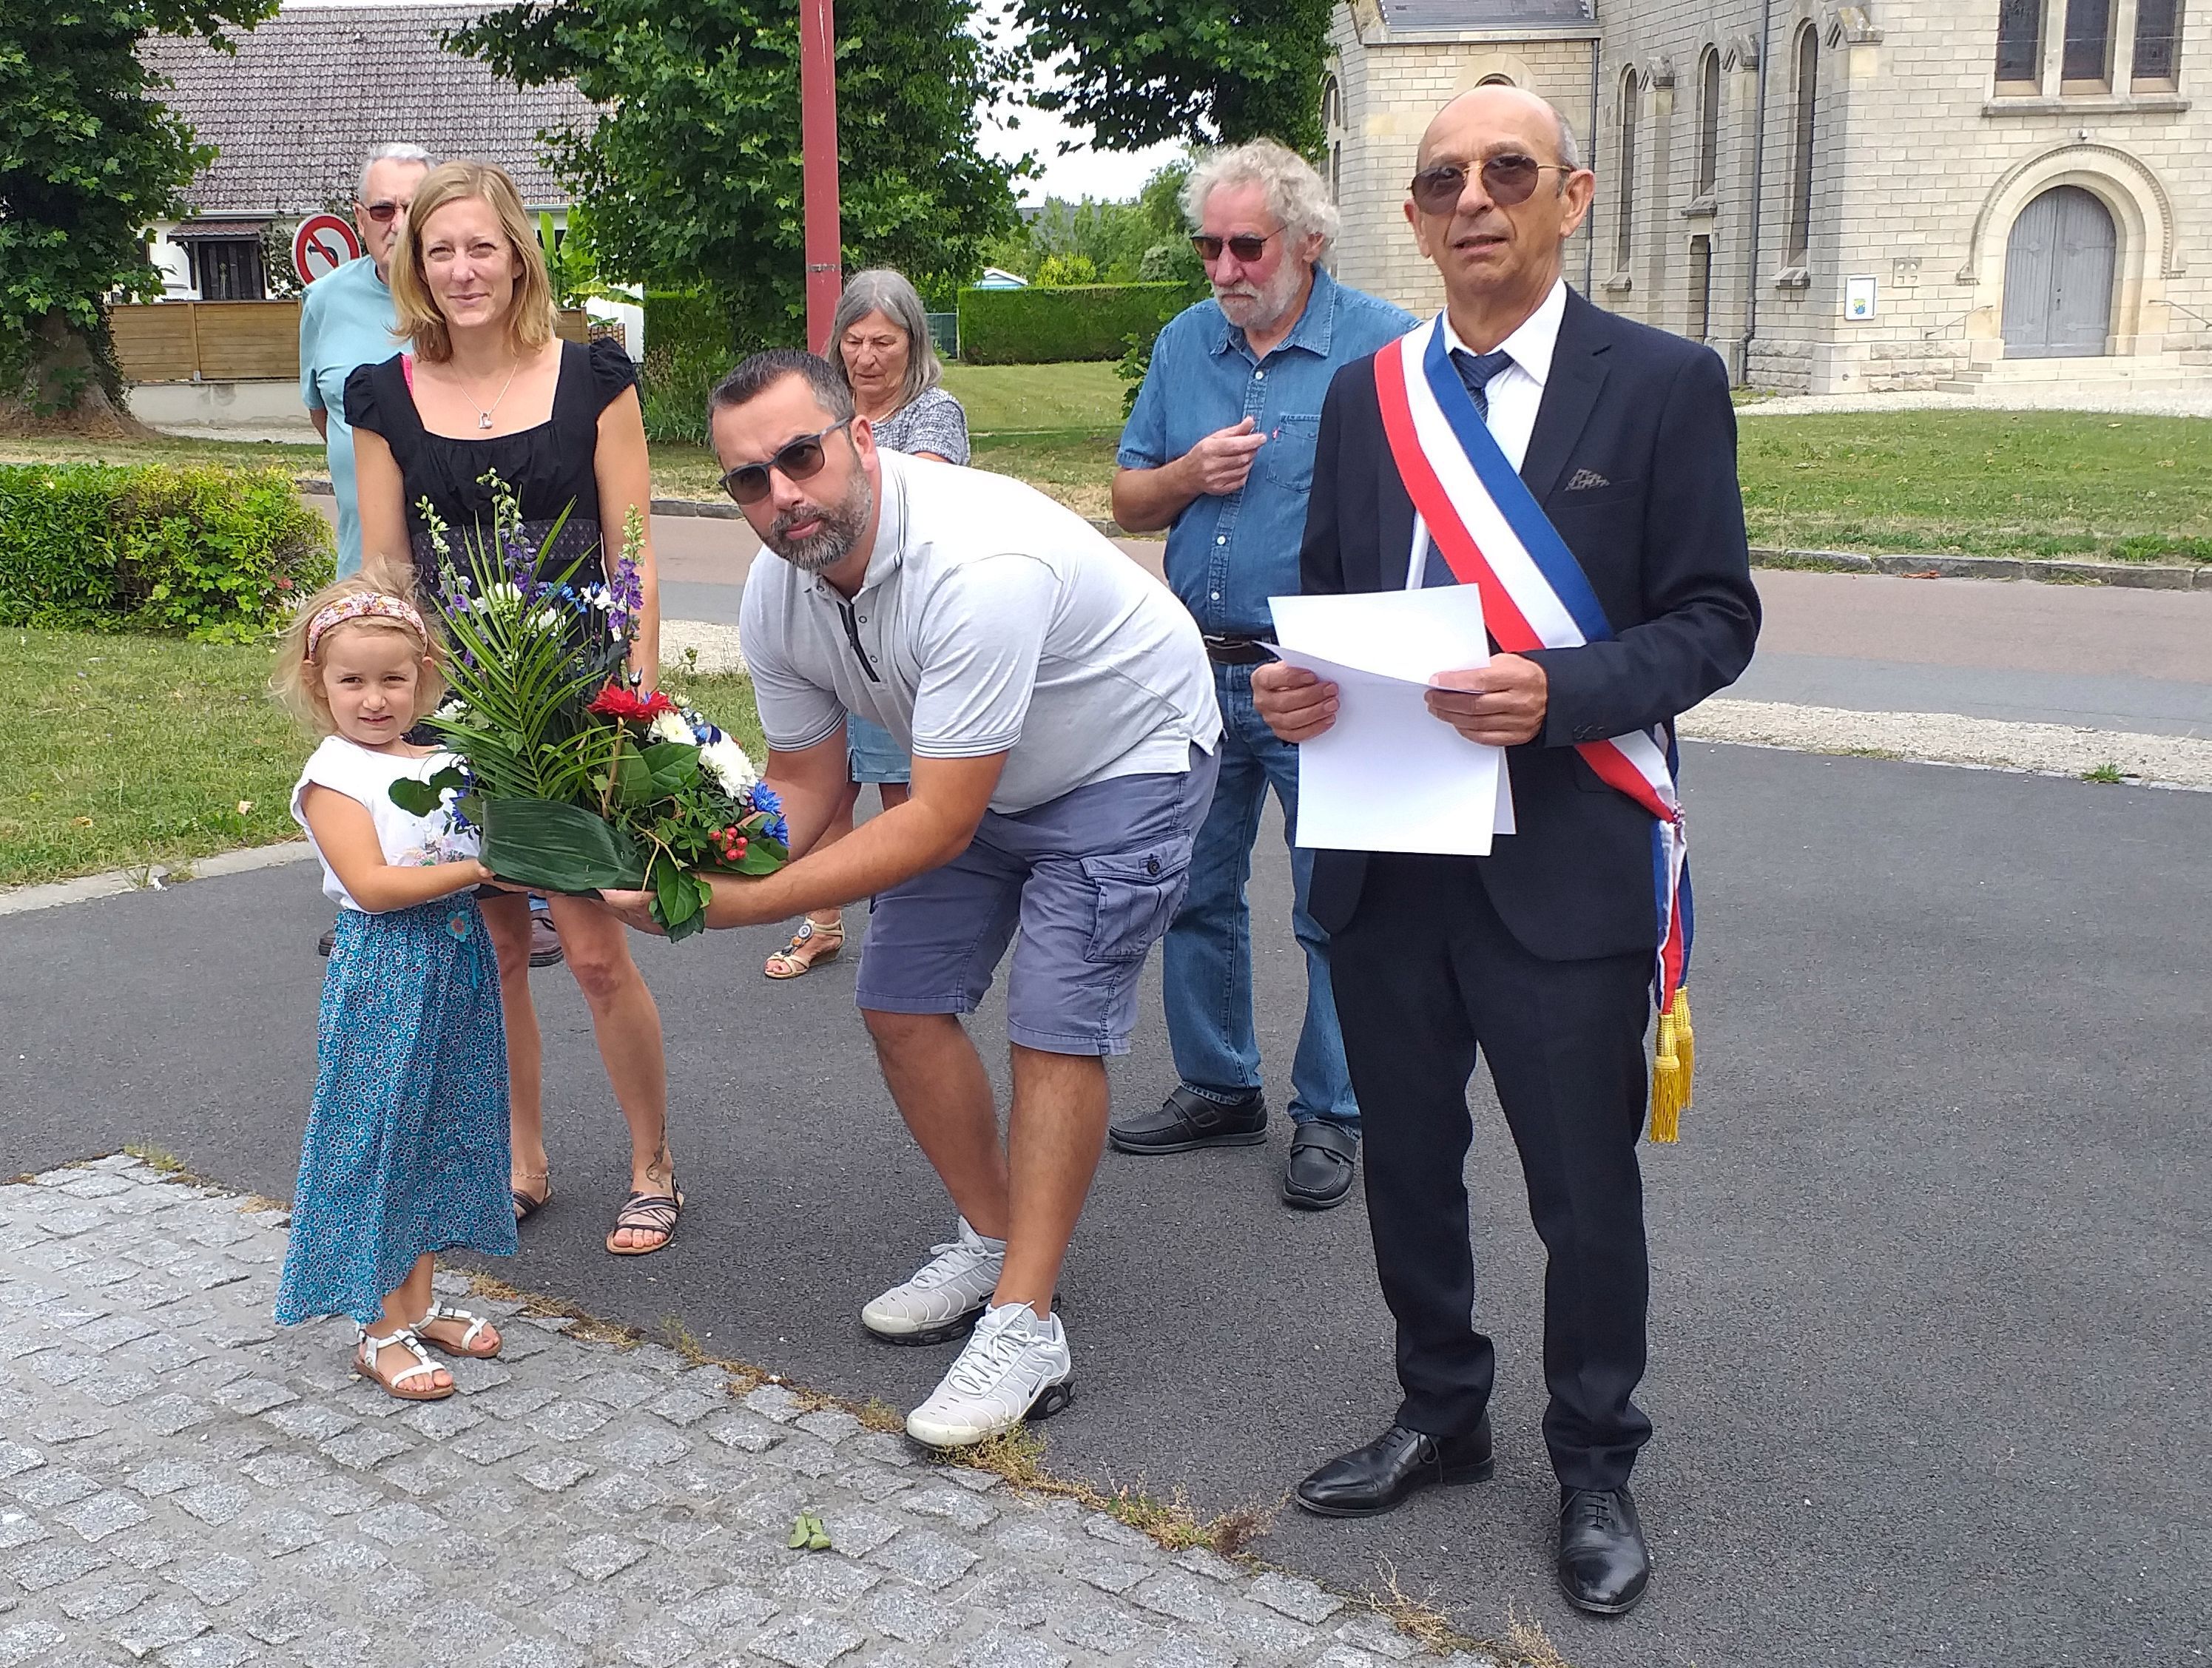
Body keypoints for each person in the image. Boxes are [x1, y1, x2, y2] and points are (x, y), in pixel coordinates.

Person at [1250, 87, 1761, 1615]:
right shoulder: (1368, 395)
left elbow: (1713, 617)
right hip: (1388, 856)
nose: (1473, 198)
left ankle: (1594, 1455)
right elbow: (1333, 589)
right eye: (1442, 180)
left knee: (1581, 1188)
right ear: (1410, 218)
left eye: (1506, 172)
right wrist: (1294, 680)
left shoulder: (1662, 383)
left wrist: (1561, 693)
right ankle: (1440, 1408)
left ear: (1570, 196)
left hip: (1564, 860)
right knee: (1408, 1159)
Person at [603, 349, 1221, 1449]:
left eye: (801, 455)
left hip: (1122, 754)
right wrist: (691, 866)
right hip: (972, 768)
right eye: (749, 479)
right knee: (897, 1002)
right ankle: (994, 1239)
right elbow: (806, 779)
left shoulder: (973, 561)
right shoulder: (777, 587)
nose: (781, 494)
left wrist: (735, 909)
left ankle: (1028, 1326)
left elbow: (935, 820)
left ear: (862, 439)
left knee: (1053, 1020)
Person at [348, 160, 681, 1256]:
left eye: (480, 246)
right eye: (438, 250)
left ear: (518, 252)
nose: (460, 269)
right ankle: (521, 1159)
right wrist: (389, 716)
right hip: (458, 709)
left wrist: (633, 701)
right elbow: (392, 572)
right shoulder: (382, 394)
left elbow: (634, 553)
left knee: (591, 946)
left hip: (578, 697)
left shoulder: (593, 375)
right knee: (492, 948)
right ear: (412, 264)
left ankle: (651, 1164)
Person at [1110, 139, 1414, 1211]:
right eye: (1209, 246)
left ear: (1308, 243)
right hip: (1197, 668)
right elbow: (1127, 499)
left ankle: (1332, 1107)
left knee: (1334, 904)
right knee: (1194, 888)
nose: (1225, 268)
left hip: (1321, 677)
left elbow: (1435, 516)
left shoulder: (1382, 347)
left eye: (1247, 245)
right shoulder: (1185, 343)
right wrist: (1186, 474)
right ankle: (1218, 1082)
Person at [299, 142, 561, 970]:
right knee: (382, 766)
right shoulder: (330, 310)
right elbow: (324, 419)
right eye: (387, 213)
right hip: (388, 593)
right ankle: (371, 892)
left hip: (514, 630)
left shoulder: (563, 366)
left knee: (561, 936)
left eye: (472, 243)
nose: (405, 227)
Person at [269, 576, 514, 1402]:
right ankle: (376, 1330)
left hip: (454, 960)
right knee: (376, 1136)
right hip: (387, 968)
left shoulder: (442, 757)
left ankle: (414, 1301)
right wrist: (485, 866)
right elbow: (372, 886)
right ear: (318, 683)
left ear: (424, 675)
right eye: (353, 681)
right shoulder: (334, 774)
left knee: (438, 1126)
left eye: (393, 679)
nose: (375, 699)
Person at [762, 268, 969, 982]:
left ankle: (909, 920)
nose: (867, 356)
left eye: (884, 340)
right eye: (853, 340)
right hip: (826, 616)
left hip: (896, 622)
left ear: (913, 343)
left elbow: (908, 495)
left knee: (899, 786)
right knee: (826, 782)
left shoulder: (933, 412)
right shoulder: (822, 411)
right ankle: (821, 918)